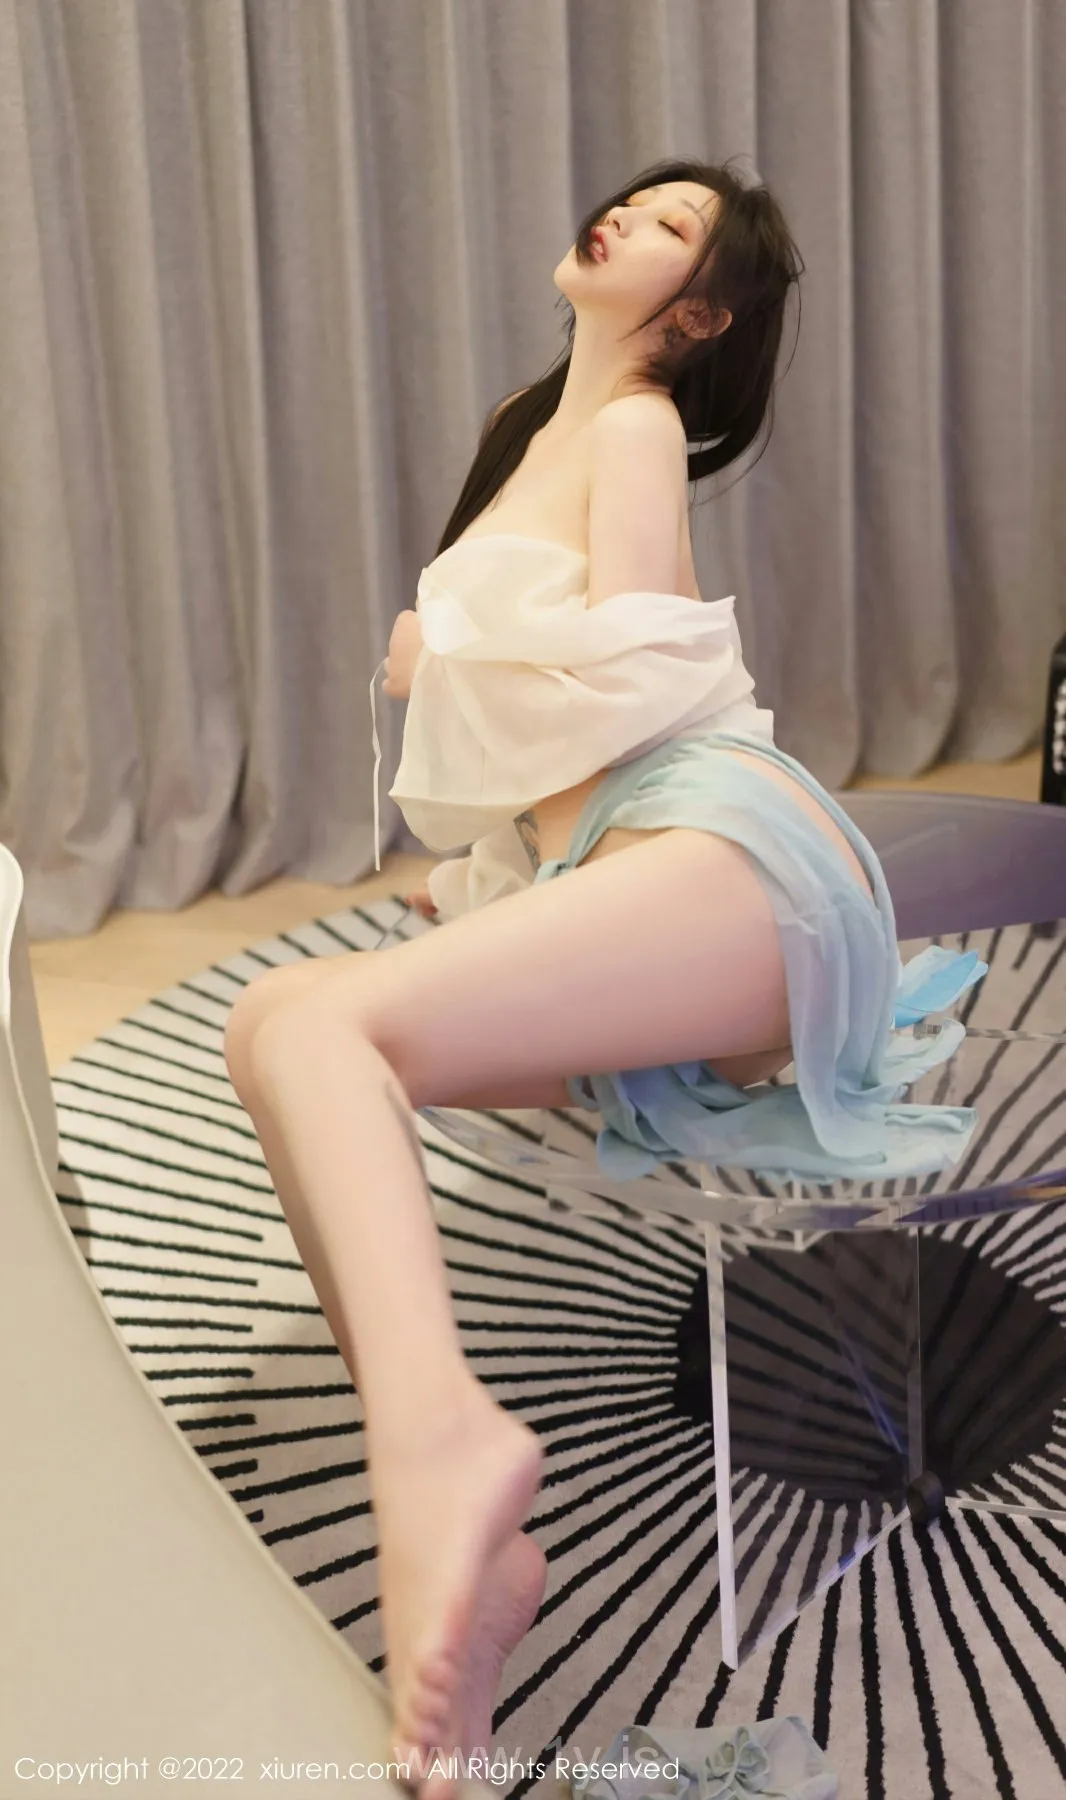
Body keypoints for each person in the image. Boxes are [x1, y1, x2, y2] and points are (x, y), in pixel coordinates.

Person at [223, 158, 986, 1799]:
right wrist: (487, 885)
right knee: (270, 1023)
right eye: (635, 203)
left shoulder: (636, 426)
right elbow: (553, 761)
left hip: (724, 842)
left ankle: (440, 1452)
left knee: (326, 1024)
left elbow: (649, 678)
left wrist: (439, 657)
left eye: (672, 229)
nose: (627, 219)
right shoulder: (530, 427)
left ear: (697, 317)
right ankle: (471, 1533)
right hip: (628, 865)